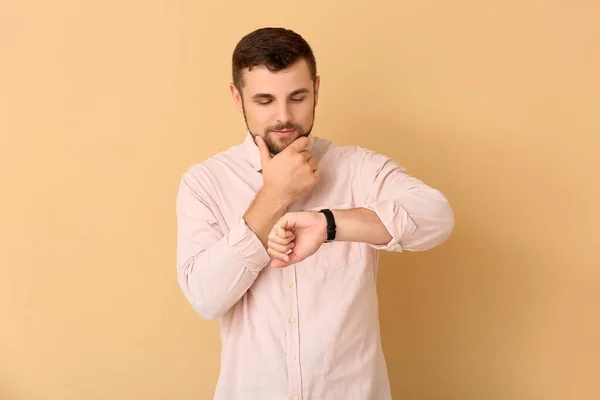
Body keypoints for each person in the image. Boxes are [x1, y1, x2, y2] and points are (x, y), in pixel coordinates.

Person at [175, 27, 455, 400]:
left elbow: (436, 217)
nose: (283, 116)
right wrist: (275, 195)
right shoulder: (206, 182)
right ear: (237, 98)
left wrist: (330, 223)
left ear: (317, 90)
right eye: (264, 100)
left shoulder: (358, 169)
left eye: (298, 97)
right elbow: (205, 297)